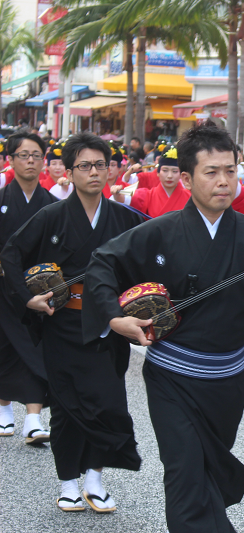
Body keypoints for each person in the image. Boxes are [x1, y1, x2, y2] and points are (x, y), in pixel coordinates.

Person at [82, 121, 244, 532]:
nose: (224, 181)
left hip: (228, 379)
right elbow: (103, 262)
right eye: (212, 172)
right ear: (188, 179)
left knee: (208, 467)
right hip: (172, 377)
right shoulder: (159, 231)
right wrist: (114, 316)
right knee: (184, 469)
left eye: (231, 171)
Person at [0, 132, 144, 513]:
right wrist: (27, 298)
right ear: (69, 171)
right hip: (62, 324)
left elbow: (152, 261)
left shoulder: (128, 219)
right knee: (66, 408)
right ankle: (67, 482)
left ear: (112, 169)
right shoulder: (51, 215)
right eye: (84, 166)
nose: (93, 172)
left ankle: (94, 479)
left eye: (101, 164)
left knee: (107, 404)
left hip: (107, 327)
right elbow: (12, 253)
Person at [0, 132, 59, 445]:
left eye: (36, 155)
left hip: (37, 291)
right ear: (11, 160)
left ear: (44, 161)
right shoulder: (1, 199)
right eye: (23, 155)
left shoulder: (51, 204)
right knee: (5, 349)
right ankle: (4, 408)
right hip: (1, 290)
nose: (31, 161)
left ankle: (34, 419)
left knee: (36, 350)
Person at [112, 145, 190, 218]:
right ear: (158, 173)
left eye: (175, 171)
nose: (169, 176)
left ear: (181, 174)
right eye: (165, 170)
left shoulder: (190, 197)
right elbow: (125, 199)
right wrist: (117, 195)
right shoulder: (147, 196)